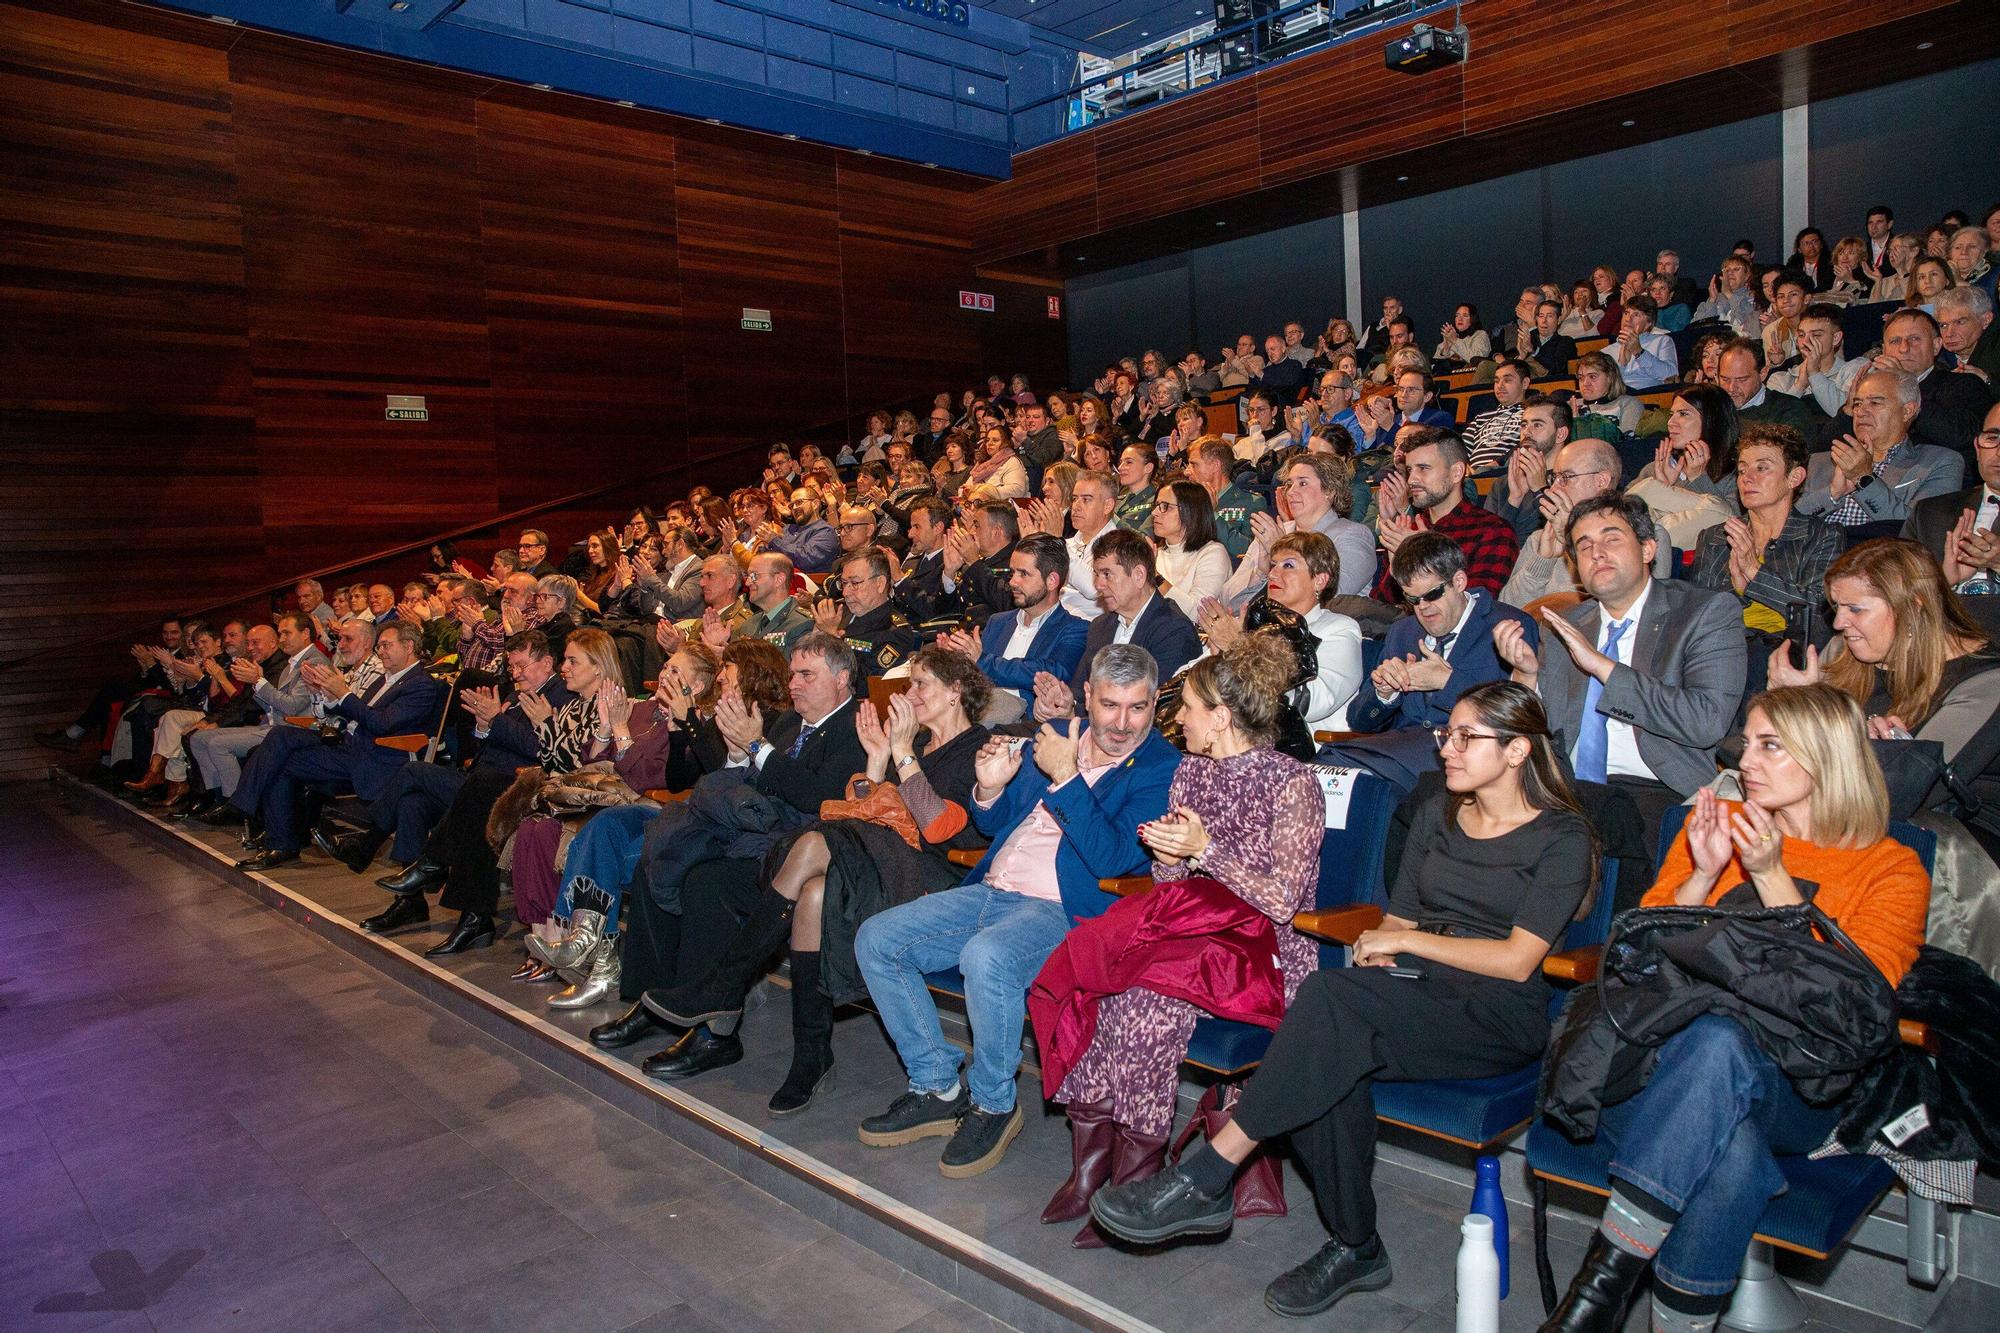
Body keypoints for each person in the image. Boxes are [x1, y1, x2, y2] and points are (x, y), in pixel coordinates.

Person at [1088, 683, 1595, 1320]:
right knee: (1329, 1049)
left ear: (1518, 750)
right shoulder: (1438, 809)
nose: (1448, 750)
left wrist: (1407, 940)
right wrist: (1383, 948)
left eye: (1468, 738)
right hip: (1414, 992)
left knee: (1326, 1008)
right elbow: (1398, 917)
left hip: (1495, 1014)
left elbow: (1519, 960)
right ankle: (1355, 1245)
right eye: (1448, 735)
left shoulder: (1561, 838)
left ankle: (1210, 1176)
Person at [1541, 685, 1928, 1333]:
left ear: (1826, 758)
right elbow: (1629, 963)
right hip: (1653, 1075)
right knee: (1733, 1152)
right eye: (1747, 742)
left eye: (1770, 745)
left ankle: (1598, 1291)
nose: (1746, 760)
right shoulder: (1712, 830)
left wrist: (1772, 877)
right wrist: (1701, 874)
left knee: (1721, 1043)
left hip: (1797, 1090)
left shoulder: (1890, 868)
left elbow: (1849, 1010)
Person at [852, 644, 1179, 1178]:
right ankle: (935, 1082)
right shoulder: (1054, 736)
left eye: (1137, 708)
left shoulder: (1162, 767)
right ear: (1088, 696)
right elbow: (996, 820)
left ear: (1154, 702)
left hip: (1062, 907)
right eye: (1110, 705)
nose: (1121, 724)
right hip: (994, 889)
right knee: (877, 938)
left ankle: (993, 1104)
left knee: (988, 958)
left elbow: (1114, 858)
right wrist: (988, 787)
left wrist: (1068, 779)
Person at [1038, 635, 1324, 1246]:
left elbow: (1283, 903)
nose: (1177, 718)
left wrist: (1205, 851)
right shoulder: (1191, 770)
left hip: (1266, 950)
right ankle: (1091, 1167)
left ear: (1221, 719)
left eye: (1188, 707)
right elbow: (1172, 882)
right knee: (1099, 979)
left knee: (1144, 1002)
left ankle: (1140, 1177)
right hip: (1197, 933)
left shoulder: (1294, 784)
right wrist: (1173, 855)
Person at [641, 647, 994, 1115]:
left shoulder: (977, 748)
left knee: (813, 842)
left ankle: (727, 981)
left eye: (919, 685)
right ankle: (811, 1053)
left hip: (927, 875)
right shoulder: (914, 743)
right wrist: (876, 761)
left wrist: (902, 754)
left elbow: (935, 829)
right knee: (812, 891)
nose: (908, 696)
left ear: (954, 694)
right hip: (873, 858)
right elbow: (864, 810)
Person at [590, 634, 866, 1074]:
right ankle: (655, 1000)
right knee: (660, 862)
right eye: (792, 673)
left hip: (801, 853)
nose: (793, 683)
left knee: (709, 882)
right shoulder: (790, 723)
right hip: (755, 835)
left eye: (806, 675)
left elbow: (819, 797)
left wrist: (757, 749)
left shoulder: (856, 725)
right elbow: (748, 787)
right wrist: (740, 756)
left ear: (842, 678)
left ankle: (713, 1032)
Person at [1493, 495, 1747, 847]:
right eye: (1584, 546)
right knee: (1441, 806)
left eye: (1611, 539)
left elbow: (1706, 723)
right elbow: (1537, 733)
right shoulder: (1564, 627)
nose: (1596, 552)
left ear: (1647, 549)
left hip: (1655, 787)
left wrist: (1604, 667)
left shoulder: (1704, 614)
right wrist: (1526, 676)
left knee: (1586, 834)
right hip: (1568, 785)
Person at [1768, 539, 1999, 781]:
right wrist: (1789, 706)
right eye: (1838, 607)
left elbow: (1912, 786)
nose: (1838, 623)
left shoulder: (1983, 683)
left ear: (1912, 607)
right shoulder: (1847, 648)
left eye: (1855, 609)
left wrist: (1811, 715)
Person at [230, 621, 442, 872]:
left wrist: (343, 694)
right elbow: (349, 714)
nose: (380, 651)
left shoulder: (420, 684)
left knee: (281, 759)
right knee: (279, 740)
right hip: (347, 743)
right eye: (380, 646)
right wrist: (323, 693)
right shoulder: (385, 678)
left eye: (386, 645)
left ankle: (255, 819)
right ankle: (273, 835)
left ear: (408, 647)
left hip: (376, 755)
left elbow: (382, 723)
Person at [1350, 534, 1538, 736]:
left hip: (1469, 753)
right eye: (1412, 599)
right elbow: (1358, 722)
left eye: (1432, 594)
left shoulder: (1509, 625)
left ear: (1458, 581)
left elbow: (1519, 717)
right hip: (1401, 752)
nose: (1423, 607)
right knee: (1323, 763)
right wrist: (1384, 694)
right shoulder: (1402, 632)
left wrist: (1448, 681)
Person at [1691, 423, 1842, 671]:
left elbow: (1820, 617)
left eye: (1762, 468)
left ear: (1794, 477)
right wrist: (1738, 593)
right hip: (1723, 652)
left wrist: (1754, 573)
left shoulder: (1822, 536)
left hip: (1783, 657)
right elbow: (1698, 612)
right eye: (1741, 470)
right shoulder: (1716, 537)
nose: (1747, 478)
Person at [1200, 530, 1363, 733]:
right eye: (1273, 565)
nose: (1273, 574)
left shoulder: (1338, 629)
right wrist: (1214, 664)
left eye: (1288, 565)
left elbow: (1311, 703)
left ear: (1319, 580)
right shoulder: (1251, 626)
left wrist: (1239, 647)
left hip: (1304, 752)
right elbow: (1190, 678)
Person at [1799, 368, 1965, 528]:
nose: (1860, 412)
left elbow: (1920, 530)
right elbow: (1783, 522)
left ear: (1907, 411)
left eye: (1875, 403)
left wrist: (1864, 479)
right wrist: (1832, 494)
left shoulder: (1940, 462)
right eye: (1857, 404)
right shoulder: (1819, 462)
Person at [1374, 431, 1520, 600]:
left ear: (1457, 472)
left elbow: (1477, 604)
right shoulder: (1408, 529)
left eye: (1423, 468)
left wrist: (1423, 556)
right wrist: (1396, 567)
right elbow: (1383, 603)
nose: (1411, 480)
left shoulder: (1492, 531)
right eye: (1409, 470)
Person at [950, 533, 1089, 707]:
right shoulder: (997, 622)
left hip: (1029, 727)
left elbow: (1047, 674)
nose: (1013, 582)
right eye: (1012, 572)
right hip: (981, 720)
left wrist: (981, 660)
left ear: (1052, 581)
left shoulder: (1076, 629)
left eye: (1023, 574)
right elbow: (975, 683)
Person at [1223, 452, 1376, 603]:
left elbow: (1331, 595)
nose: (1291, 492)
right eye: (1289, 484)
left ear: (1329, 490)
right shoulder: (1273, 533)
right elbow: (1228, 600)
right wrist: (1261, 573)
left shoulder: (1353, 535)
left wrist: (1281, 553)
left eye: (1303, 483)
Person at [1625, 383, 1742, 551]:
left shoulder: (1737, 473)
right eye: (1672, 414)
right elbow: (1621, 512)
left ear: (1712, 421)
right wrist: (1660, 485)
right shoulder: (1657, 466)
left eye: (1683, 414)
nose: (1671, 422)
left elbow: (1730, 523)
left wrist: (1698, 479)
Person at [1902, 399, 2000, 591]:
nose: (1999, 452)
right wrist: (1943, 582)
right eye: (1992, 438)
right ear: (1977, 448)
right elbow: (1896, 591)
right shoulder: (1929, 513)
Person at [1151, 479, 1233, 620]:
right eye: (1157, 505)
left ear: (1191, 512)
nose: (1154, 513)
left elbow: (1198, 613)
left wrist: (1155, 576)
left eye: (1165, 506)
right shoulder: (1156, 554)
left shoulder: (1213, 553)